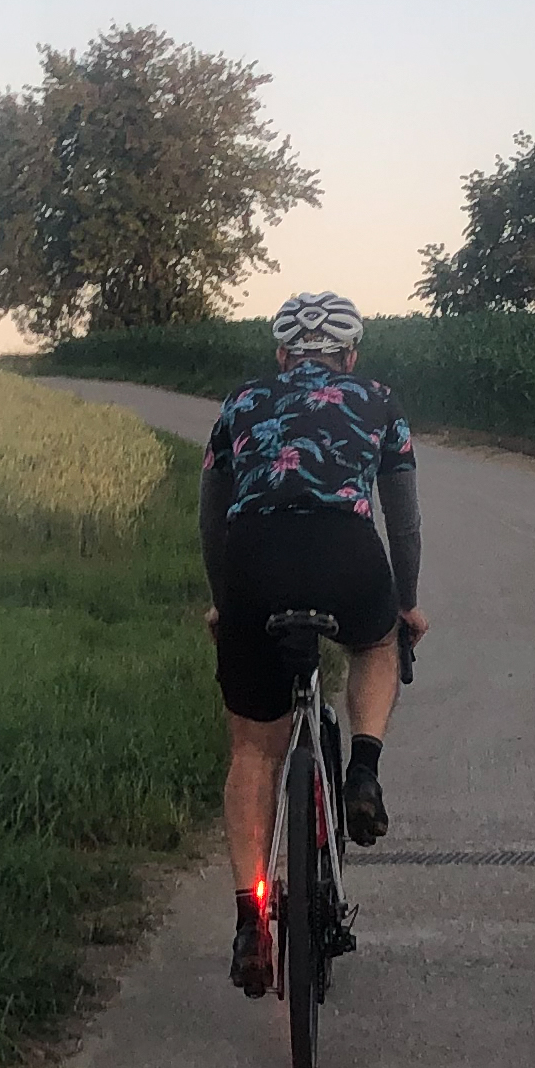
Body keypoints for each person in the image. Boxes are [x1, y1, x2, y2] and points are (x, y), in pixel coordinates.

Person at [202, 291, 427, 998]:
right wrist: (406, 605)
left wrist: (225, 601)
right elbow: (404, 519)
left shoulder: (240, 403)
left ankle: (249, 922)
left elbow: (212, 517)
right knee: (377, 639)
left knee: (251, 750)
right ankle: (362, 771)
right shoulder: (380, 400)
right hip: (346, 555)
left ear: (281, 355)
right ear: (350, 355)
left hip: (252, 563)